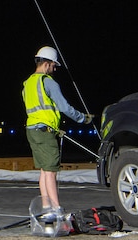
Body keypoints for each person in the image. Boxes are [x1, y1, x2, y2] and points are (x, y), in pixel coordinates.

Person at [22, 46, 94, 220]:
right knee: (51, 171)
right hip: (45, 131)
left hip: (31, 131)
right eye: (54, 66)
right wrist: (83, 119)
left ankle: (47, 208)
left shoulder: (27, 84)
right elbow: (64, 107)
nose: (55, 69)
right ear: (47, 64)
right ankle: (56, 208)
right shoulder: (48, 82)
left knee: (44, 171)